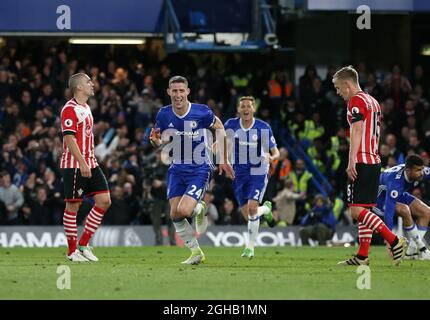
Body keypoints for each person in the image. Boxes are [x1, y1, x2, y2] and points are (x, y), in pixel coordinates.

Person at [149, 75, 234, 265]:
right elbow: (160, 140)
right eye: (174, 91)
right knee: (174, 214)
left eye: (181, 90)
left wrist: (223, 157)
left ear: (187, 92)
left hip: (199, 167)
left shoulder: (201, 112)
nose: (178, 94)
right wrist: (156, 142)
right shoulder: (163, 114)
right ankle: (196, 252)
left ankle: (199, 207)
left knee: (185, 210)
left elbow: (220, 127)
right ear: (168, 92)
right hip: (177, 168)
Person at [332, 66, 407, 266]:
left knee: (356, 211)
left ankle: (393, 239)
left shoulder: (355, 101)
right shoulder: (372, 101)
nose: (339, 93)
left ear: (348, 84)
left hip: (362, 160)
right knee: (365, 209)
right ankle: (363, 256)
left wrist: (351, 161)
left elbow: (356, 132)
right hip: (374, 160)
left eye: (339, 88)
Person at [60, 73, 111, 262]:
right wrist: (81, 162)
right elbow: (69, 138)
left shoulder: (86, 107)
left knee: (104, 200)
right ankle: (72, 251)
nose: (92, 84)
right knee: (73, 205)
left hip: (91, 162)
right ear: (78, 87)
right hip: (75, 164)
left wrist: (88, 161)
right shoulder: (69, 109)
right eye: (88, 82)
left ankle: (83, 244)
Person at [224, 96, 280, 259]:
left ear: (253, 109)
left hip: (258, 170)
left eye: (249, 106)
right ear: (238, 109)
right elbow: (221, 144)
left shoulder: (263, 127)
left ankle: (250, 248)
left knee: (252, 208)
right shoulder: (231, 125)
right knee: (249, 216)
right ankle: (267, 209)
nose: (246, 109)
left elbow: (275, 151)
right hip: (239, 173)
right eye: (243, 106)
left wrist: (272, 158)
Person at [372, 155, 430, 260]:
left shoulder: (420, 172)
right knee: (404, 210)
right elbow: (388, 214)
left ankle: (411, 252)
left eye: (422, 169)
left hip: (399, 194)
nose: (421, 172)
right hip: (379, 200)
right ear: (408, 170)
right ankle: (423, 249)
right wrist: (389, 242)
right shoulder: (395, 182)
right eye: (418, 170)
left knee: (427, 212)